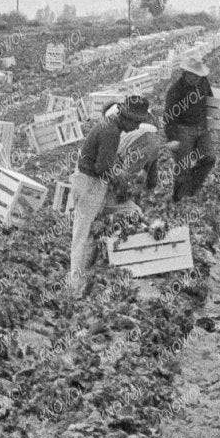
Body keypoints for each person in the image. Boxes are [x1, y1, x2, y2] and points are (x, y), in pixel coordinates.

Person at [67, 93, 151, 298]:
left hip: (91, 182)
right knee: (82, 234)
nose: (137, 127)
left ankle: (83, 279)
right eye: (136, 122)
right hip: (90, 183)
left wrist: (117, 173)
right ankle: (75, 289)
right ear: (127, 117)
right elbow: (102, 167)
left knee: (88, 231)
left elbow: (105, 161)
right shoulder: (111, 132)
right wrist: (118, 178)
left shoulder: (111, 125)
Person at [161, 45, 216, 204]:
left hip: (202, 127)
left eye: (199, 76)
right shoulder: (175, 90)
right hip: (183, 130)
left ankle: (191, 190)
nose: (197, 79)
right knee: (183, 167)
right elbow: (169, 116)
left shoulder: (203, 82)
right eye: (194, 76)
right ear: (187, 73)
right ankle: (178, 200)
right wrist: (172, 138)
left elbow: (210, 99)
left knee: (209, 158)